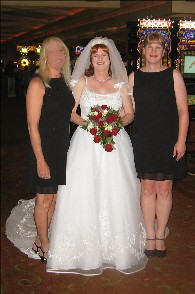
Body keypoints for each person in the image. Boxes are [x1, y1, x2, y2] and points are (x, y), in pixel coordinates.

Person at [47, 37, 147, 275]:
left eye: (104, 54)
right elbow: (70, 113)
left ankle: (117, 249)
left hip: (115, 141)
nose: (100, 58)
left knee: (116, 190)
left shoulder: (121, 84)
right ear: (90, 60)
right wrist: (92, 125)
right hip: (87, 140)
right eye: (96, 55)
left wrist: (114, 126)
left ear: (110, 58)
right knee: (84, 189)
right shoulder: (81, 81)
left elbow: (130, 113)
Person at [6, 37, 75, 261]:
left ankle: (42, 239)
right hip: (44, 148)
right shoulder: (38, 83)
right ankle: (45, 245)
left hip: (62, 147)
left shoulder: (64, 82)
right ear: (44, 55)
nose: (58, 55)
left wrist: (93, 124)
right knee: (43, 200)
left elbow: (69, 115)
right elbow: (32, 125)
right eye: (53, 51)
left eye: (62, 51)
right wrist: (40, 160)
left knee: (54, 198)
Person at [129, 33, 189, 258]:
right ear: (142, 51)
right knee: (146, 188)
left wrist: (181, 140)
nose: (153, 51)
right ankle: (149, 233)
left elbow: (183, 111)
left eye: (158, 47)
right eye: (149, 47)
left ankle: (160, 235)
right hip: (143, 139)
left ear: (164, 52)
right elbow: (129, 111)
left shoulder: (173, 75)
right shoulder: (134, 76)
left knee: (164, 188)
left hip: (168, 138)